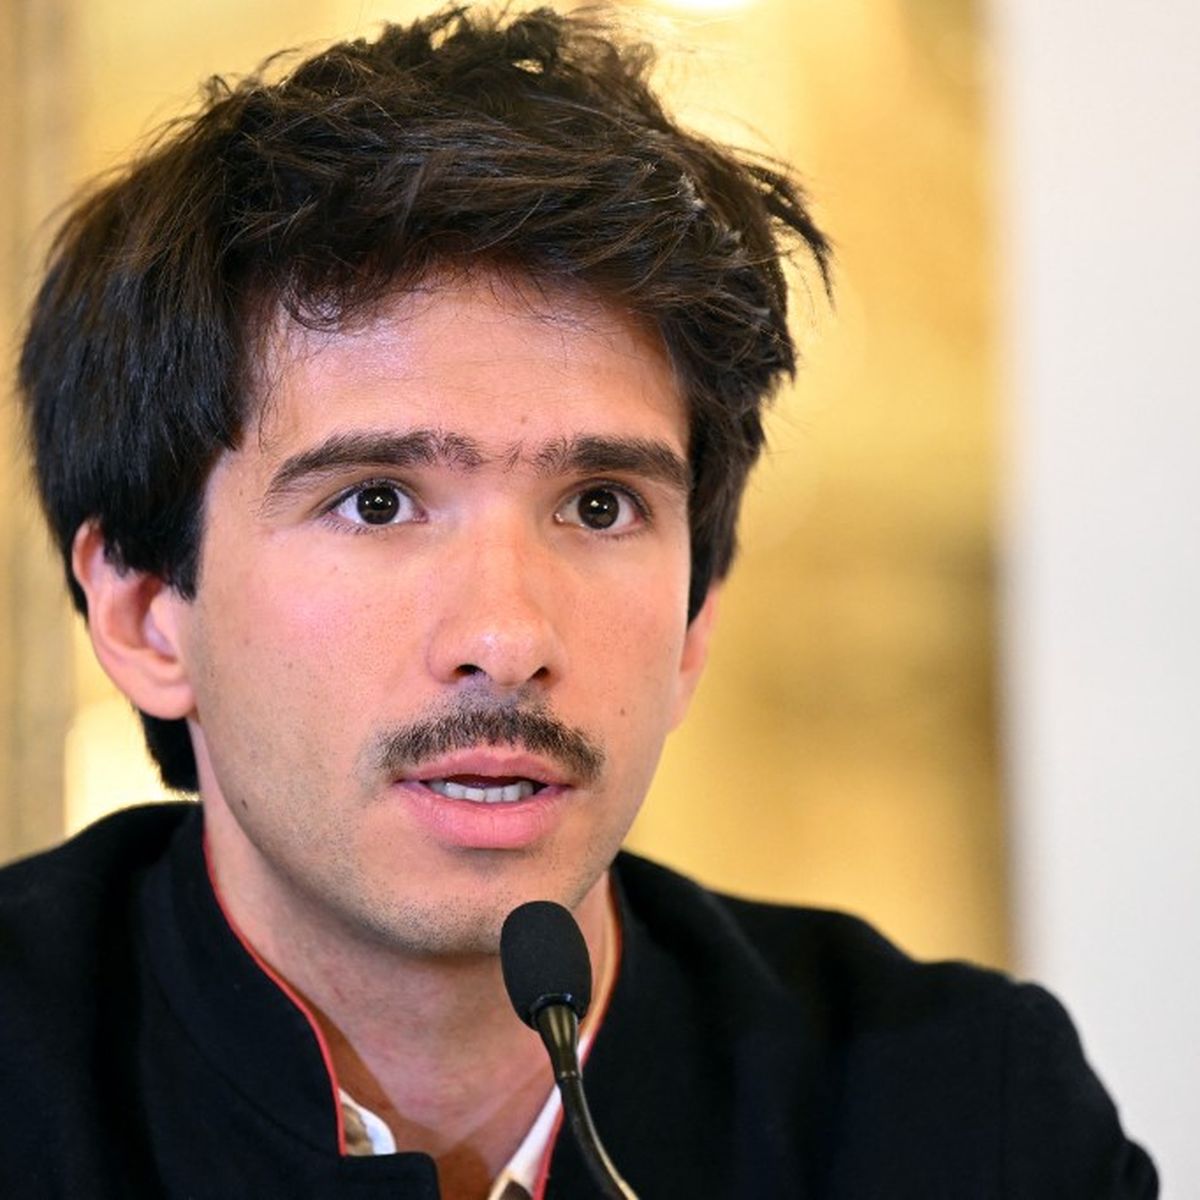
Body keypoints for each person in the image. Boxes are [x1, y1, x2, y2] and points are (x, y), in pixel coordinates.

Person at [4, 6, 1155, 1198]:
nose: (507, 640)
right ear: (144, 612)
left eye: (600, 506)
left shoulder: (966, 1116)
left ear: (696, 619)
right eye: (377, 503)